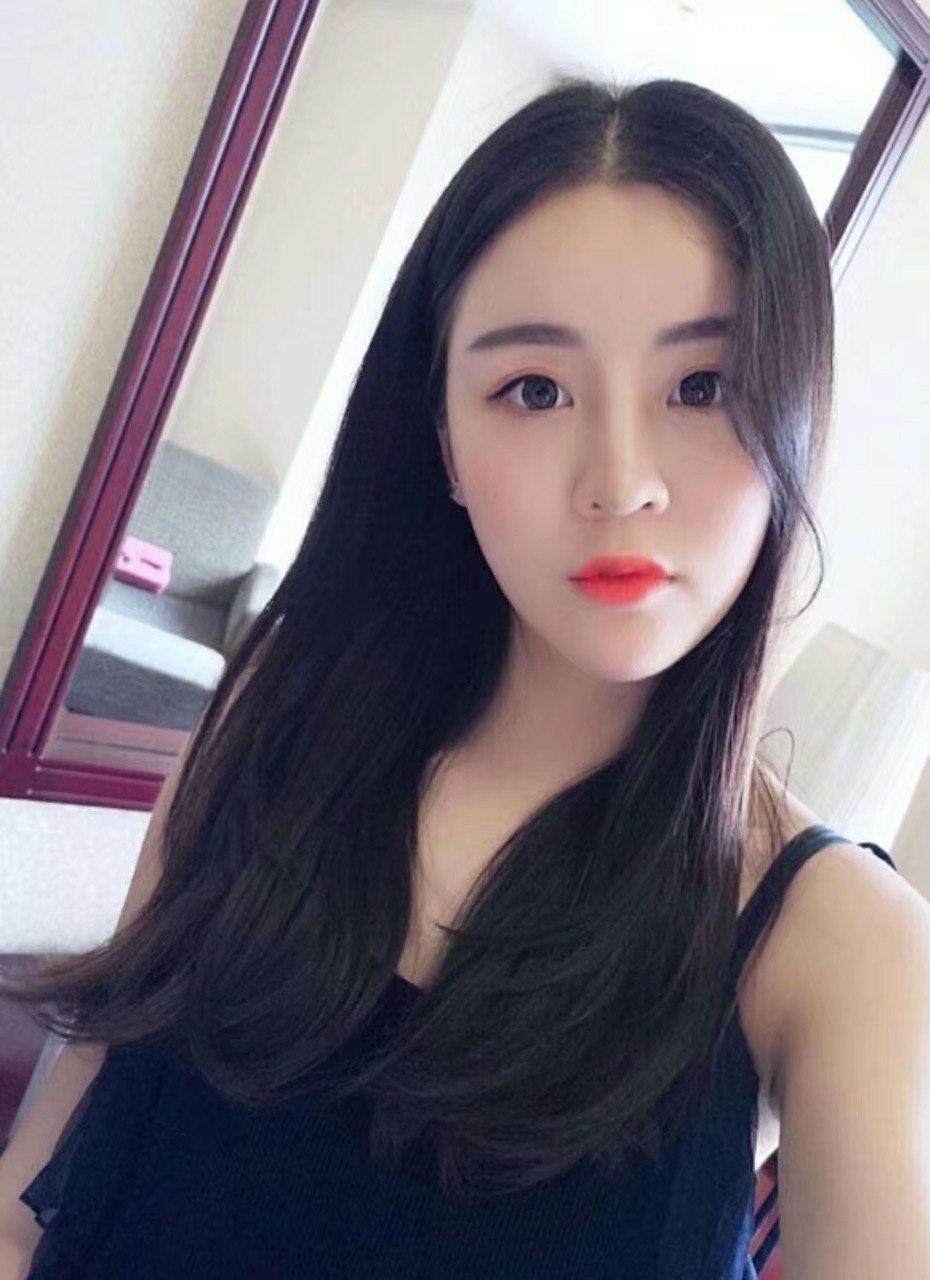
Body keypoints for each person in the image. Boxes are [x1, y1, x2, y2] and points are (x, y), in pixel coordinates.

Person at [0, 74, 913, 1279]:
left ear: (797, 413)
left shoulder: (839, 945)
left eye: (705, 385)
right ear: (443, 442)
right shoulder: (279, 724)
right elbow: (35, 1194)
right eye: (534, 389)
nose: (620, 480)